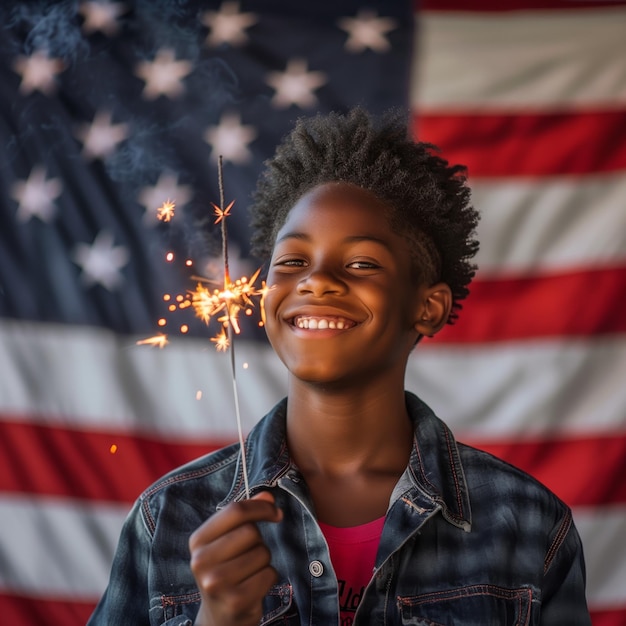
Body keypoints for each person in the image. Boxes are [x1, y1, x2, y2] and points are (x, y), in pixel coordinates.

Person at [88, 107, 591, 625]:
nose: (317, 281)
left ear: (429, 307)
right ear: (264, 300)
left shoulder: (529, 524)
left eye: (361, 264)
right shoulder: (170, 516)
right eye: (291, 262)